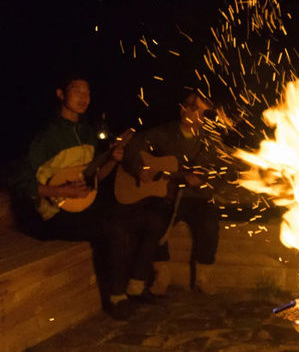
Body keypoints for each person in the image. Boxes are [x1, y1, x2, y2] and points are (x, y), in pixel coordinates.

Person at [10, 75, 164, 320]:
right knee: (115, 228)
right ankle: (116, 298)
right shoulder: (45, 136)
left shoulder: (87, 132)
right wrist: (61, 192)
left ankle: (137, 285)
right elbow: (19, 181)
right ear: (61, 94)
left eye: (87, 93)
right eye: (77, 91)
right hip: (53, 213)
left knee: (150, 219)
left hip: (82, 205)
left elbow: (95, 178)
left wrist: (113, 160)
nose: (84, 98)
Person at [121, 91, 231, 293]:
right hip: (167, 194)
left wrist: (203, 182)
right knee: (156, 221)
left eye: (194, 107)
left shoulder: (210, 141)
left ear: (204, 115)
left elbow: (221, 173)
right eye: (186, 104)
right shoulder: (165, 132)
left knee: (209, 222)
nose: (187, 109)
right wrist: (139, 169)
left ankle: (203, 277)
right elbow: (133, 145)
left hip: (196, 197)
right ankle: (162, 273)